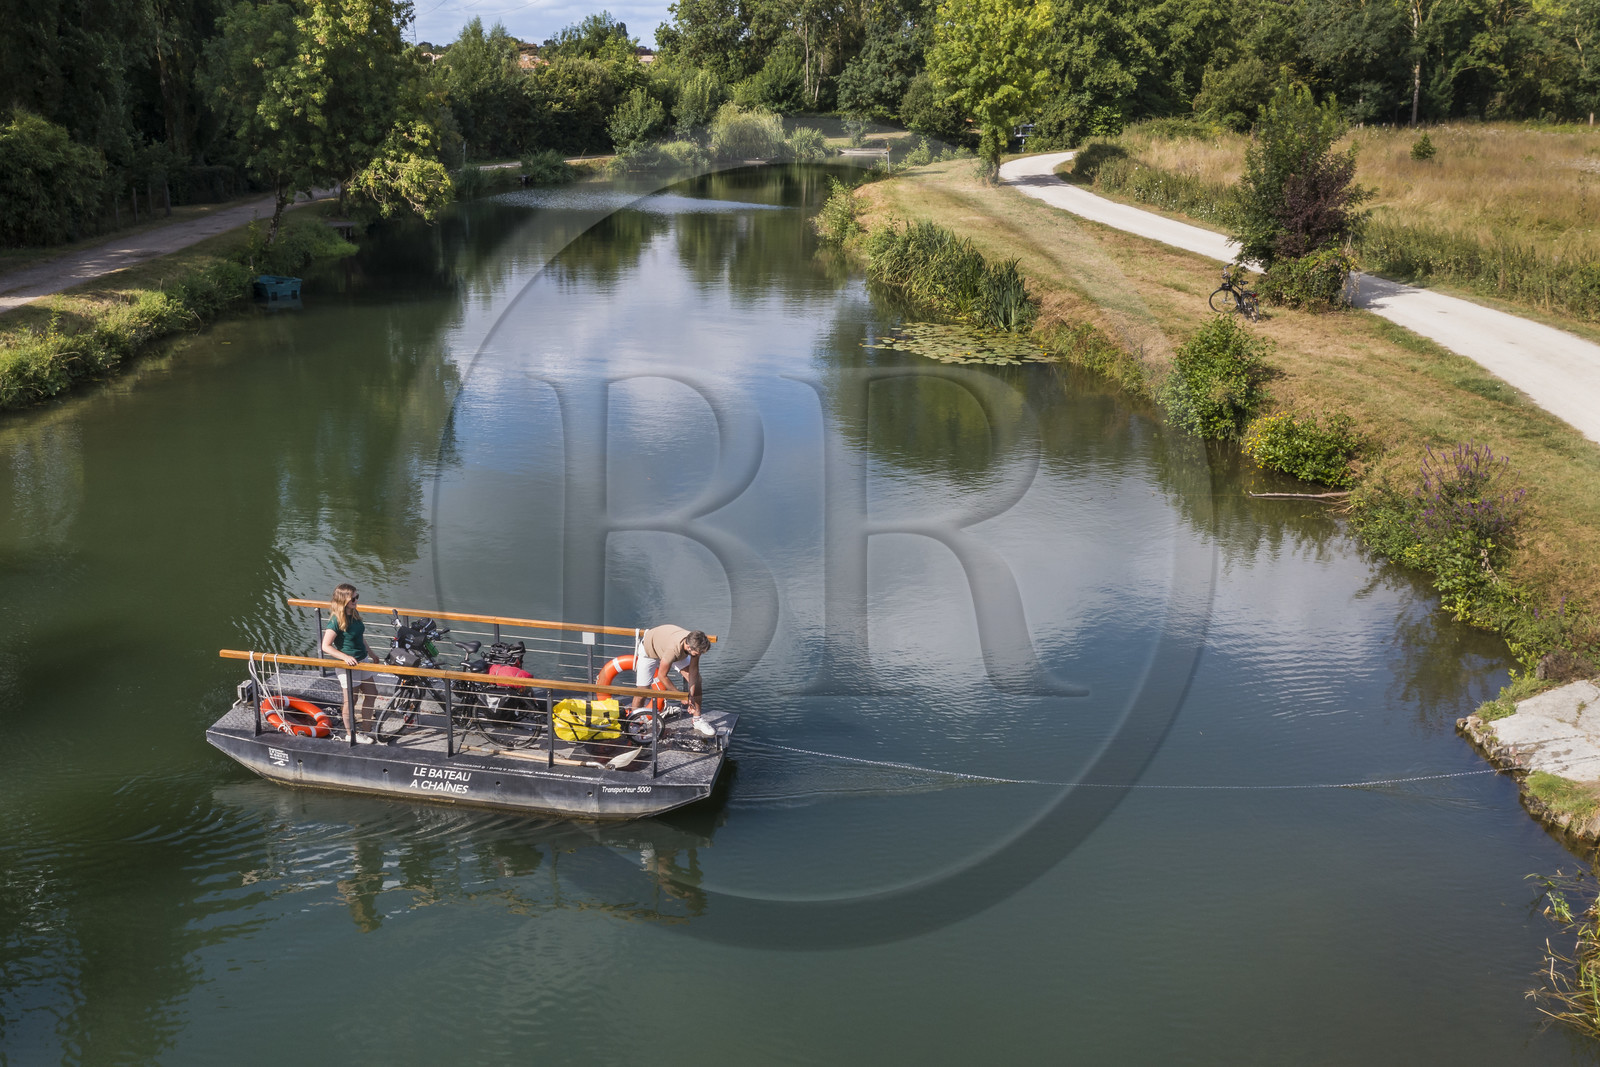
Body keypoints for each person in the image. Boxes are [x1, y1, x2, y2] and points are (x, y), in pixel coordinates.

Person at [321, 583, 379, 744]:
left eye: (356, 597)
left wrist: (371, 653)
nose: (356, 600)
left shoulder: (354, 613)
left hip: (362, 660)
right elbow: (325, 646)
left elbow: (360, 637)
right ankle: (350, 734)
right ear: (342, 600)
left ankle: (367, 729)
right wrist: (344, 657)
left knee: (372, 692)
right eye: (352, 598)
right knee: (351, 701)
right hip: (348, 665)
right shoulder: (335, 620)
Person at [633, 625, 714, 737]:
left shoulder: (696, 642)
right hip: (649, 650)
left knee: (698, 681)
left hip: (671, 649)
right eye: (697, 654)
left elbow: (693, 673)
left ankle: (697, 719)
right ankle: (634, 723)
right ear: (689, 647)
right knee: (642, 691)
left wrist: (690, 695)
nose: (698, 655)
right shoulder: (673, 650)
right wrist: (680, 696)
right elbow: (662, 676)